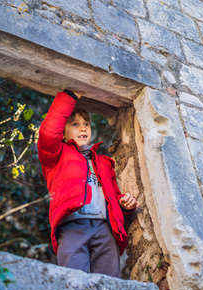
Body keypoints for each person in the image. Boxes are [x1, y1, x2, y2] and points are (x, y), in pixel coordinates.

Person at [37, 89, 139, 277]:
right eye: (75, 124)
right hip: (72, 225)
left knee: (110, 282)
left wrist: (125, 206)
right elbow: (49, 133)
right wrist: (69, 96)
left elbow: (113, 196)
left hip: (104, 228)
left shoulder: (103, 162)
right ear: (64, 133)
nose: (83, 128)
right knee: (74, 281)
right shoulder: (56, 155)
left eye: (86, 124)